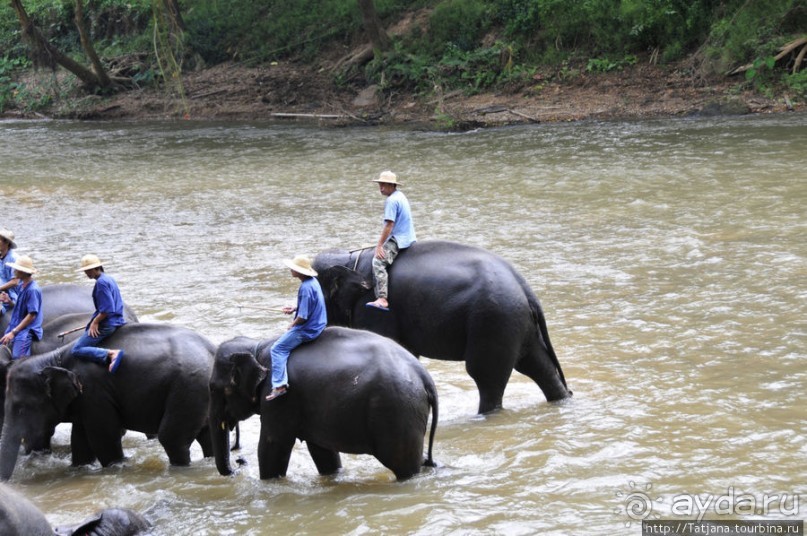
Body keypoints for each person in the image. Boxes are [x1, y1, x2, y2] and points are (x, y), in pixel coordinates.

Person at [265, 255, 327, 401]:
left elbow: (303, 317)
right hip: (319, 322)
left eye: (293, 268)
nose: (291, 270)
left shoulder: (305, 287)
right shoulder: (313, 282)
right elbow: (310, 304)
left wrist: (291, 325)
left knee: (277, 349)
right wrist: (295, 308)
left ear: (300, 272)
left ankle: (279, 385)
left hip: (308, 328)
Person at [366, 170, 417, 311]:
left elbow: (389, 224)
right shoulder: (400, 196)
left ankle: (382, 298)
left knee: (378, 261)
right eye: (380, 184)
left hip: (399, 239)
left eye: (384, 184)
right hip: (409, 236)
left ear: (392, 185)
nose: (381, 187)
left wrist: (379, 246)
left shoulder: (391, 201)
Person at [71, 254, 127, 373]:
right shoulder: (108, 278)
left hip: (108, 323)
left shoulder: (101, 283)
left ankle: (111, 353)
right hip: (117, 319)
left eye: (88, 270)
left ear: (97, 268)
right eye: (85, 270)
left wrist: (95, 322)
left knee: (77, 349)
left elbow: (107, 309)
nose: (86, 273)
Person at [0, 255, 43, 360]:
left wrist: (13, 332)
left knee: (17, 358)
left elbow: (32, 315)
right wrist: (9, 302)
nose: (14, 271)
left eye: (16, 269)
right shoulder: (21, 286)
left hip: (27, 330)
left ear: (23, 272)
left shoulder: (32, 290)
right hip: (16, 324)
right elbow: (20, 308)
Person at [0, 229, 19, 317]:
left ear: (6, 242)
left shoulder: (13, 258)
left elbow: (15, 282)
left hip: (11, 293)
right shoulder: (2, 256)